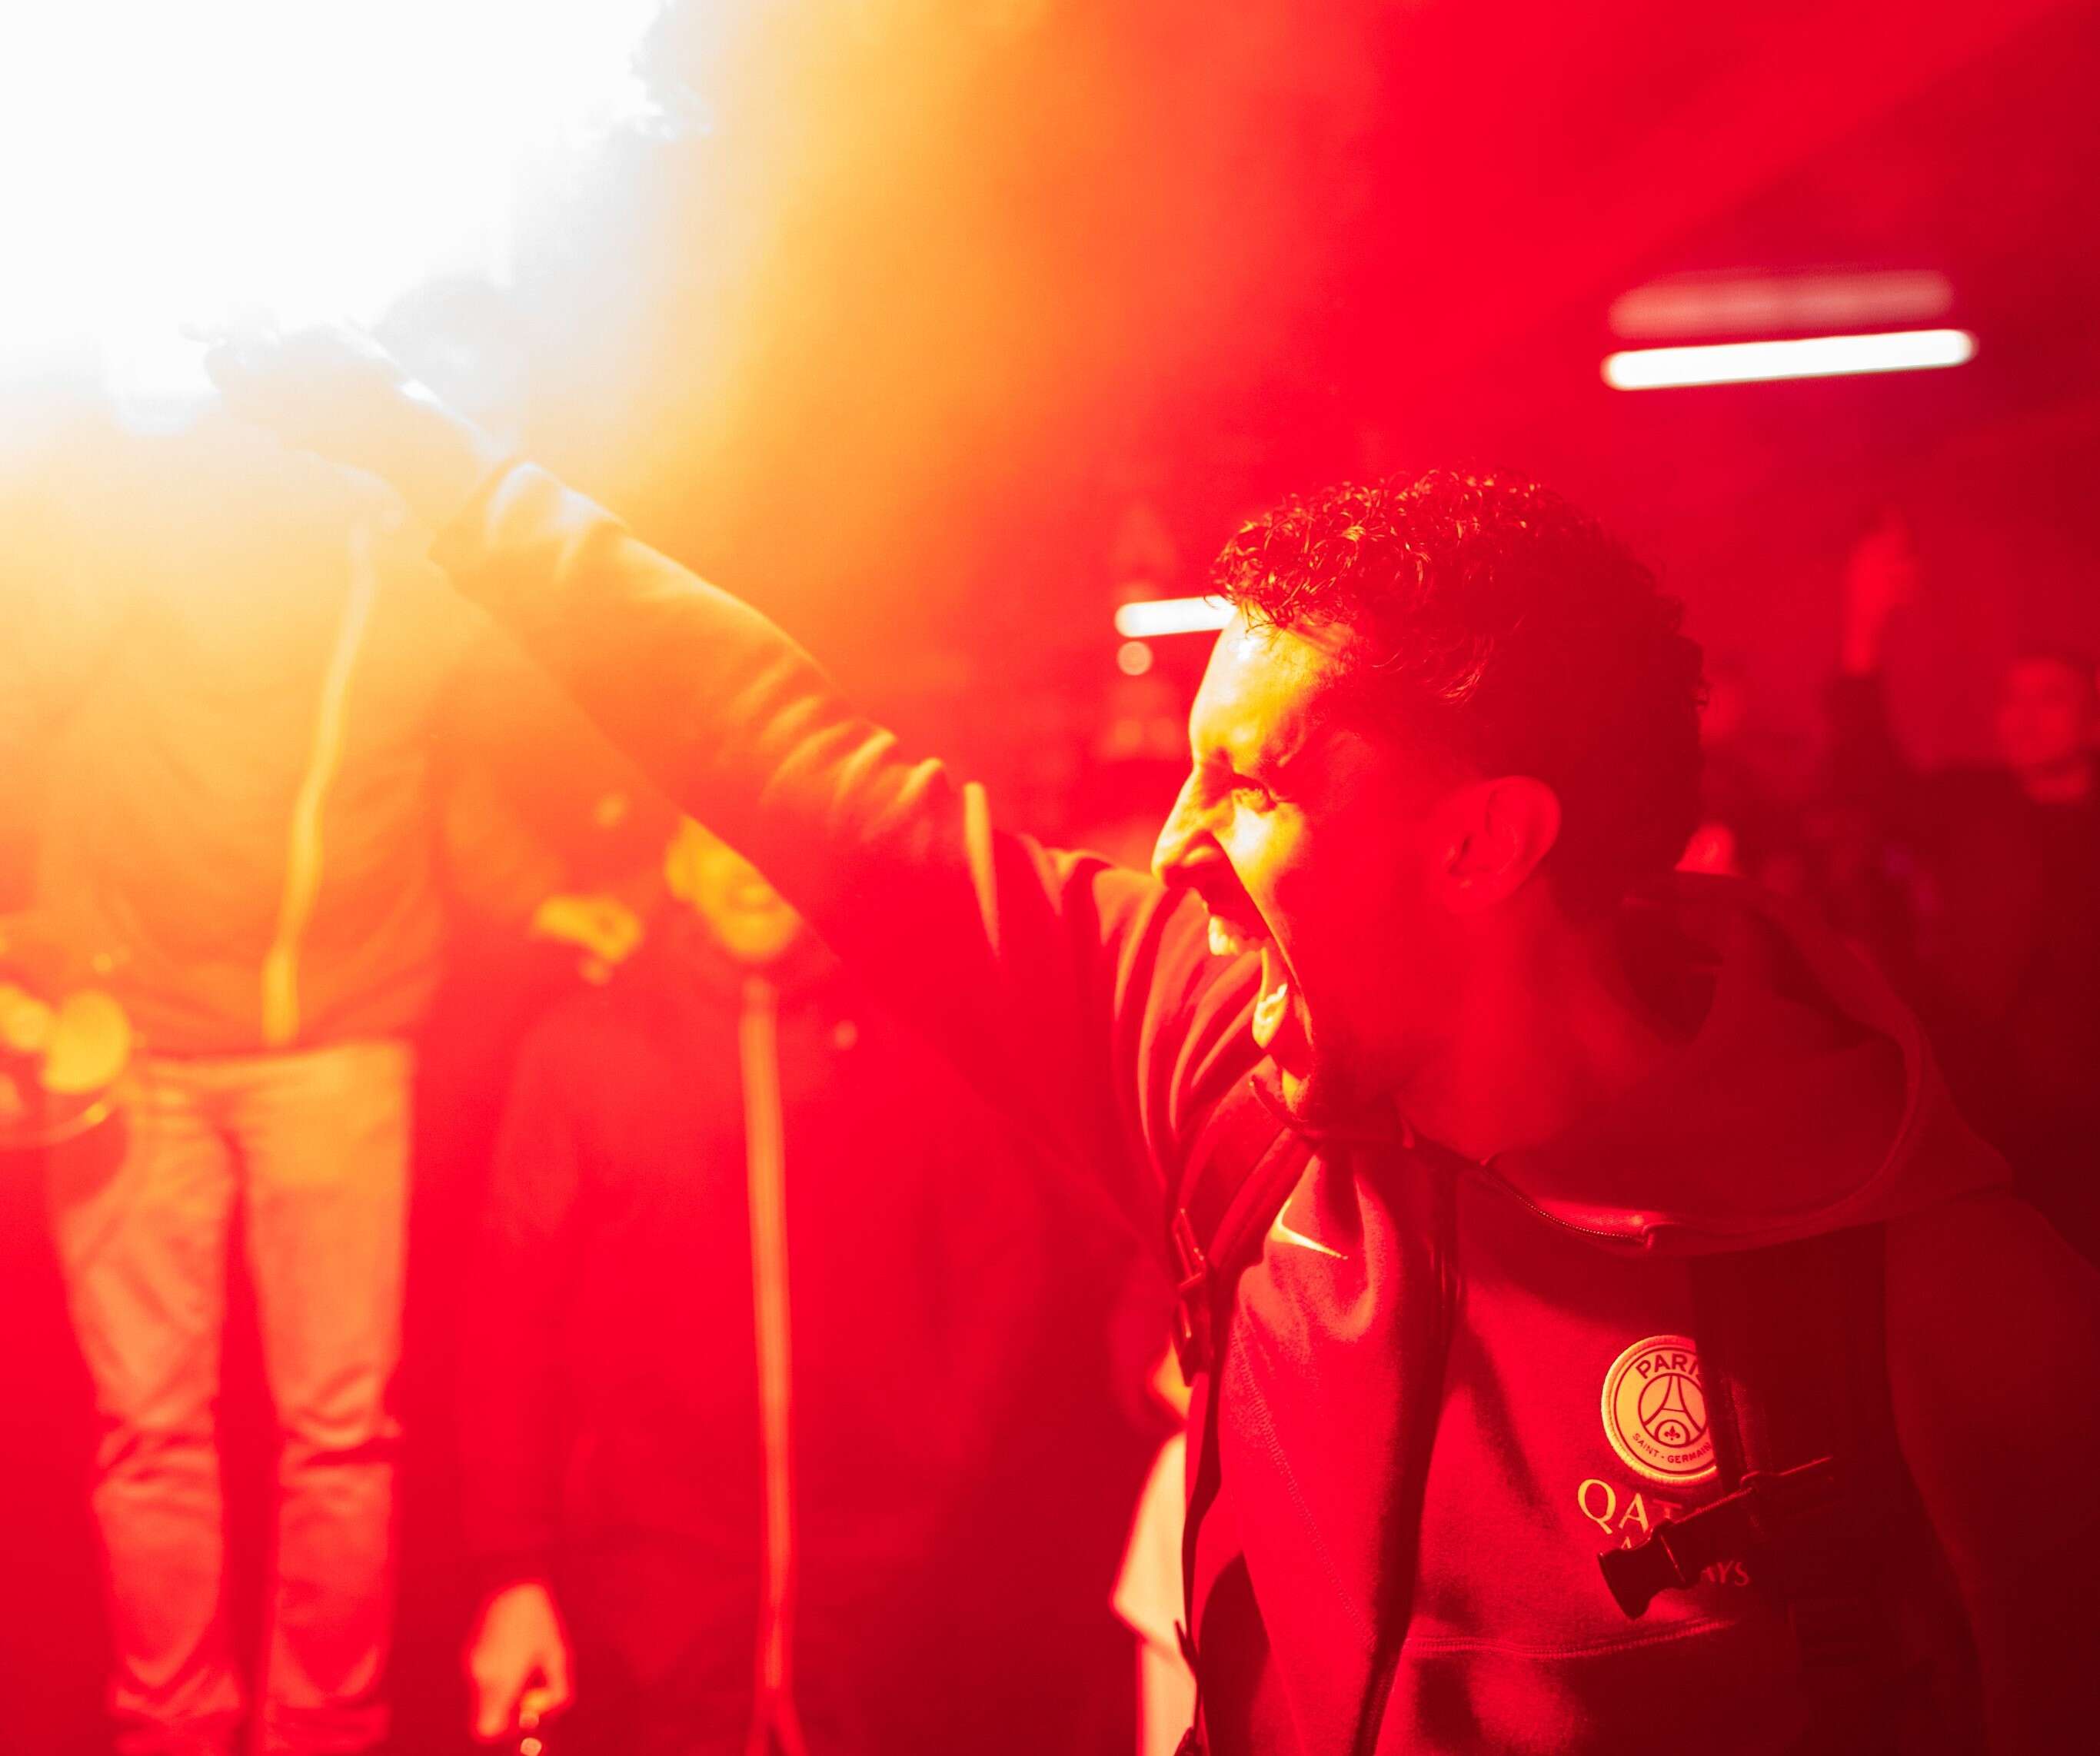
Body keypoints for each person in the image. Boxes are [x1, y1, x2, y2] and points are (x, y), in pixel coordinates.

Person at [209, 327, 2100, 1754]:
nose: (1175, 846)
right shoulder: (1225, 1077)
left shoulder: (1928, 1290)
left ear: (1483, 841)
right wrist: (439, 466)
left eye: (1253, 784)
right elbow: (800, 765)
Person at [0, 332, 616, 1756]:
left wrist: (541, 895)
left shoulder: (432, 573)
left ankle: (322, 1732)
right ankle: (171, 1730)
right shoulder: (165, 518)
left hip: (342, 1037)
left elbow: (425, 778)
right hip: (131, 1034)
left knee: (343, 1435)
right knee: (153, 1432)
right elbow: (18, 703)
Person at [455, 819, 1162, 1754]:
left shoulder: (916, 1036)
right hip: (642, 1602)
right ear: (677, 861)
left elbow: (1004, 1260)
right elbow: (512, 1319)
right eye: (713, 836)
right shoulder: (584, 1048)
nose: (747, 865)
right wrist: (513, 1571)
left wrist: (942, 1453)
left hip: (883, 1601)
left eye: (766, 833)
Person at [1832, 514, 2100, 1262]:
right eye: (2012, 700)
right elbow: (1867, 777)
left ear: (2090, 718)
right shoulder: (1973, 805)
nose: (2023, 717)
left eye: (2049, 698)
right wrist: (1863, 632)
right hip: (1985, 1109)